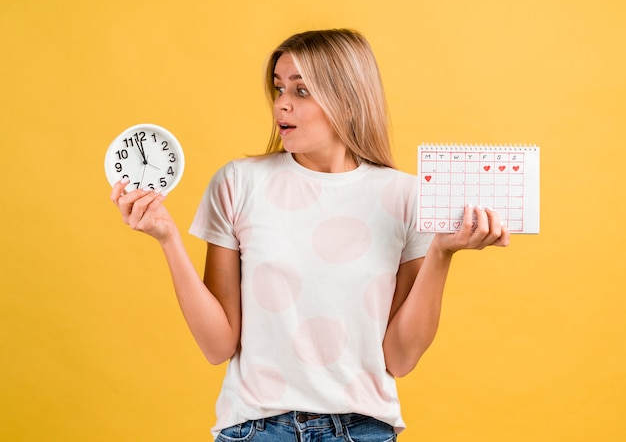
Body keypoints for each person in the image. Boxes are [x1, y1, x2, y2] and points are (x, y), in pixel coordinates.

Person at [110, 29, 509, 441]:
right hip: (256, 429)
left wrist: (442, 253)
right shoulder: (238, 183)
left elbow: (401, 358)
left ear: (349, 101)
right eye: (279, 87)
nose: (282, 103)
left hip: (364, 430)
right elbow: (217, 346)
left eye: (302, 91)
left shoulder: (405, 196)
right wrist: (168, 238)